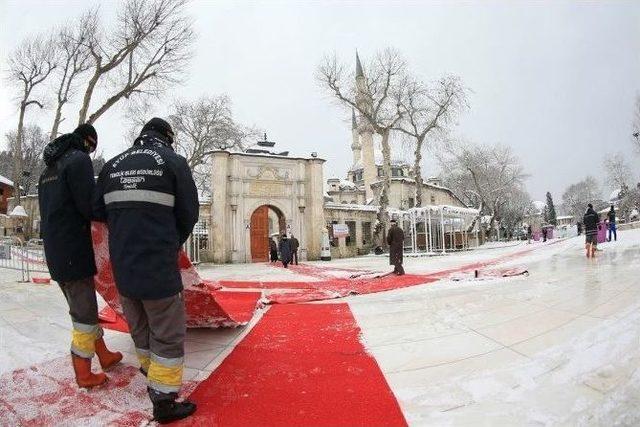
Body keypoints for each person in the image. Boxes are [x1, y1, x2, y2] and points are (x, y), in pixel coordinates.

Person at [93, 118, 199, 423]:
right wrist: (170, 241)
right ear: (167, 137)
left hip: (124, 265)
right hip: (157, 264)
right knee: (166, 331)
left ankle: (152, 375)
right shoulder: (172, 162)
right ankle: (164, 401)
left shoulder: (113, 165)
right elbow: (188, 212)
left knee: (139, 327)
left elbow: (97, 211)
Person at [38, 124, 122, 388]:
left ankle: (104, 354)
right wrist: (113, 214)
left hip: (55, 249)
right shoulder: (79, 160)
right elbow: (88, 205)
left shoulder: (49, 169)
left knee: (82, 307)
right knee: (84, 313)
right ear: (88, 141)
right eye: (92, 146)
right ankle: (84, 374)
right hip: (74, 247)